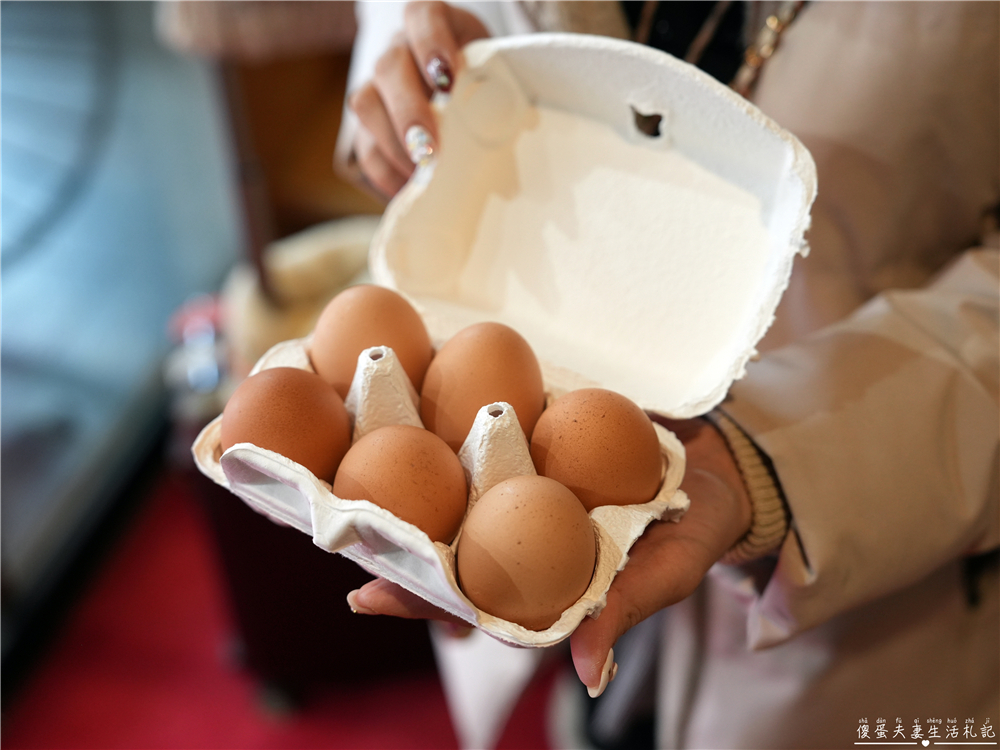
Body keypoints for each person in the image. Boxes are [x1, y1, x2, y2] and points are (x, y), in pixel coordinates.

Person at [339, 2, 999, 748]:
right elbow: (405, 32)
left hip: (867, 538)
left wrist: (776, 456)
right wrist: (404, 117)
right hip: (523, 427)